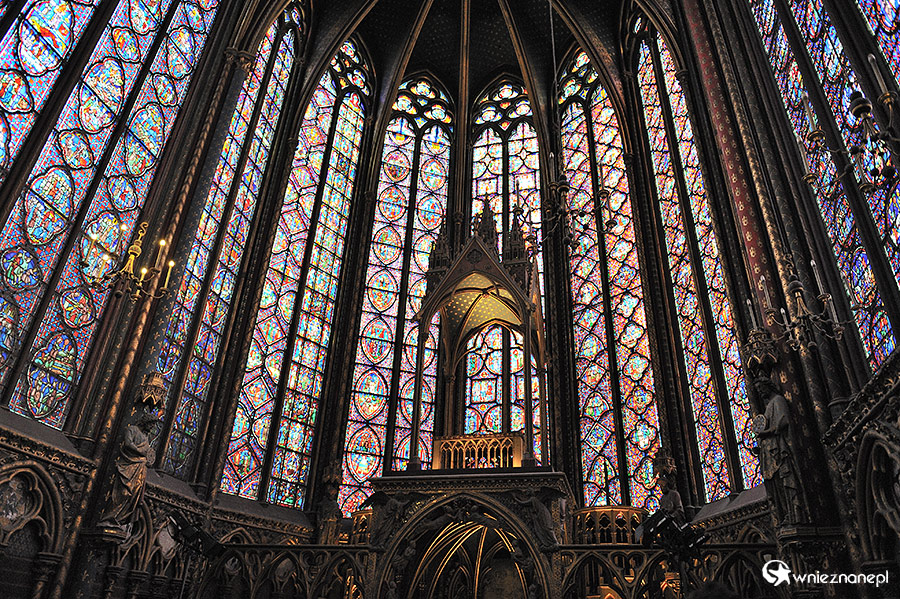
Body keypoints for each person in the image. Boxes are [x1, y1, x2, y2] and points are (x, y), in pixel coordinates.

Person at [98, 412, 158, 533]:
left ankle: (118, 519)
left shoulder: (146, 437)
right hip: (128, 465)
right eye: (151, 423)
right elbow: (128, 443)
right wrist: (142, 453)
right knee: (124, 492)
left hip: (140, 469)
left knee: (132, 496)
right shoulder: (132, 429)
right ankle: (109, 518)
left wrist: (148, 459)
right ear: (145, 421)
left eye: (153, 425)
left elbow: (148, 453)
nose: (152, 427)